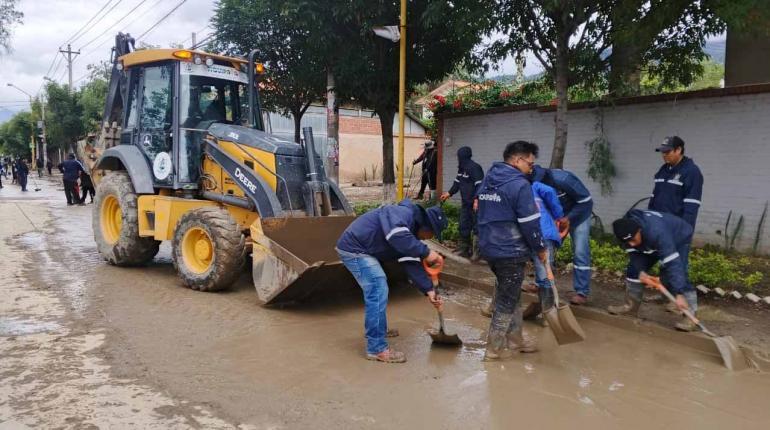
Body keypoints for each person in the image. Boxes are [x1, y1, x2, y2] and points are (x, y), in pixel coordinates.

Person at [336, 200, 448, 363]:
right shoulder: (403, 214)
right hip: (354, 248)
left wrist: (429, 291)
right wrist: (426, 252)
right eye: (432, 234)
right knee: (378, 287)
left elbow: (411, 264)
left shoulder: (409, 233)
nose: (429, 238)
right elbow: (397, 236)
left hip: (366, 249)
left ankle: (379, 329)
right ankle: (376, 348)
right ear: (427, 227)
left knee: (379, 287)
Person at [477, 140, 547, 360]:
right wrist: (540, 248)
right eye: (529, 163)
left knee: (512, 292)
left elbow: (478, 209)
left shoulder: (489, 179)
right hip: (510, 251)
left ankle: (516, 340)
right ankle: (493, 350)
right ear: (517, 160)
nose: (531, 168)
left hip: (489, 248)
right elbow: (530, 223)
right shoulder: (519, 185)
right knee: (506, 300)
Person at [608, 209, 698, 331]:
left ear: (639, 230)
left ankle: (690, 316)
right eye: (628, 242)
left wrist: (679, 293)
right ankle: (631, 307)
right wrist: (641, 271)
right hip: (649, 240)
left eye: (633, 239)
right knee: (633, 270)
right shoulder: (624, 231)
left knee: (677, 272)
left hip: (679, 236)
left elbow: (673, 264)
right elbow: (634, 254)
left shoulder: (657, 232)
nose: (632, 244)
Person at [530, 165, 593, 305]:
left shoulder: (564, 179)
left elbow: (586, 201)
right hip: (557, 217)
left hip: (579, 216)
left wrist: (568, 219)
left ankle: (582, 292)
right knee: (546, 247)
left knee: (580, 252)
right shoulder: (532, 182)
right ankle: (541, 283)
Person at [649, 136, 703, 229]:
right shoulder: (663, 170)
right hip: (657, 225)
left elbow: (691, 205)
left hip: (675, 227)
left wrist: (684, 231)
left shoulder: (691, 171)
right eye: (663, 152)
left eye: (667, 152)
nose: (664, 155)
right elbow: (654, 197)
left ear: (678, 150)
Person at [440, 146, 484, 258]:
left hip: (475, 204)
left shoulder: (475, 168)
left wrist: (477, 200)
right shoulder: (462, 169)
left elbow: (480, 186)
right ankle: (464, 250)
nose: (458, 159)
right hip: (465, 204)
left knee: (477, 227)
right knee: (464, 225)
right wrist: (449, 193)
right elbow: (457, 183)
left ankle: (477, 253)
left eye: (459, 157)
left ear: (463, 156)